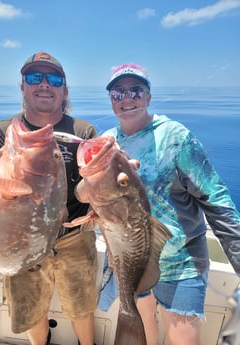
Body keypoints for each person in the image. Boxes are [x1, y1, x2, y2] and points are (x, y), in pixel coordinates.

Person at [98, 63, 240, 345]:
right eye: (118, 92)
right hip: (131, 260)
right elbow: (87, 194)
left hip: (180, 263)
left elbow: (215, 199)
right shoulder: (106, 143)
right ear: (111, 100)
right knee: (143, 332)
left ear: (149, 97)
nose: (127, 98)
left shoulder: (176, 137)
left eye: (136, 90)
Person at [0, 51, 98, 345]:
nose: (44, 84)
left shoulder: (83, 132)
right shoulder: (0, 132)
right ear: (23, 87)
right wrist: (7, 178)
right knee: (31, 308)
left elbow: (91, 185)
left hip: (74, 236)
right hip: (21, 237)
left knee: (82, 305)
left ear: (64, 90)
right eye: (35, 77)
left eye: (54, 79)